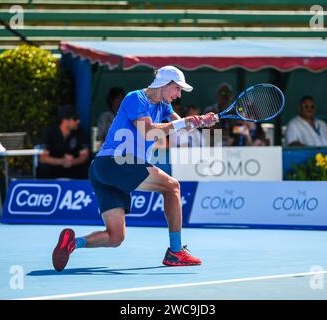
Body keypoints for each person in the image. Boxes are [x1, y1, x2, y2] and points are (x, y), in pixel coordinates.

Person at [51, 66, 218, 271]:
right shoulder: (135, 98)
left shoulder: (163, 105)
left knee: (115, 237)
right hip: (115, 162)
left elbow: (181, 125)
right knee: (172, 186)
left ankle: (72, 244)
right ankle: (176, 252)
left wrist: (202, 121)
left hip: (105, 172)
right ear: (164, 85)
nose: (178, 95)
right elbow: (148, 132)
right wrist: (185, 122)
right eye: (177, 88)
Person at [36, 105, 90, 179]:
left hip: (72, 167)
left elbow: (85, 155)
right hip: (54, 167)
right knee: (43, 168)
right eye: (75, 119)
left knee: (86, 167)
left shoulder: (79, 132)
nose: (78, 121)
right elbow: (43, 158)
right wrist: (61, 161)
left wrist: (73, 161)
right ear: (65, 120)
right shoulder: (50, 132)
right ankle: (45, 189)